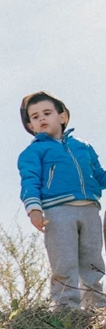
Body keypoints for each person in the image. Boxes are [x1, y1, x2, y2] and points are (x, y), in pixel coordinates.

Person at [17, 91, 106, 311]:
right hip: (57, 213)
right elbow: (30, 182)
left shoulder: (83, 147)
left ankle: (97, 308)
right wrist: (34, 210)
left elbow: (100, 176)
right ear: (31, 126)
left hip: (90, 210)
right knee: (64, 261)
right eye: (35, 117)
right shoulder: (33, 152)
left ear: (63, 116)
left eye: (47, 113)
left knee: (93, 260)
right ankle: (66, 308)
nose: (42, 118)